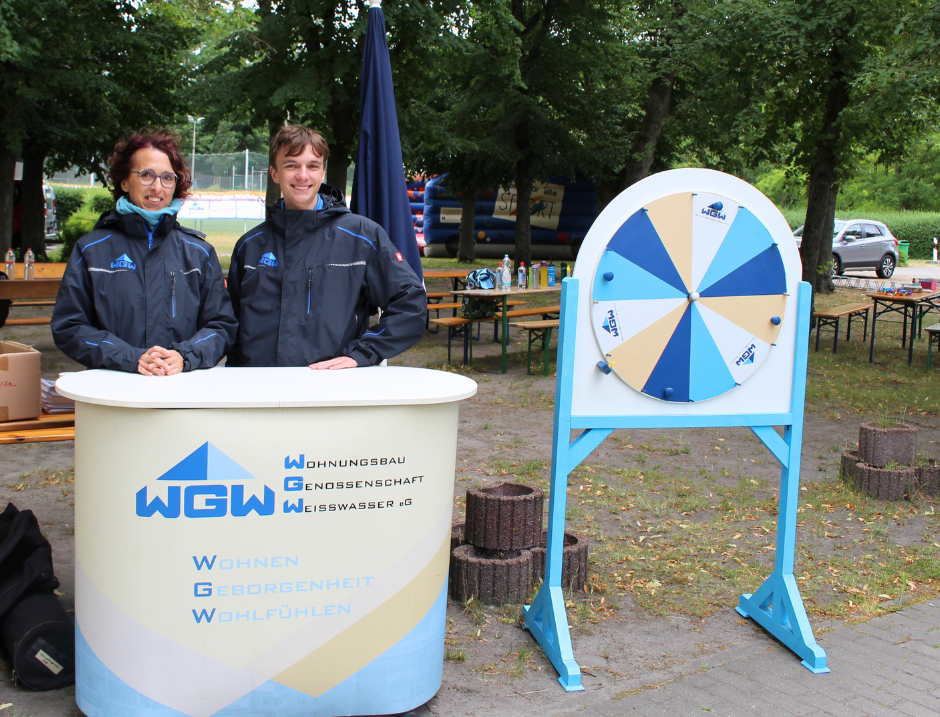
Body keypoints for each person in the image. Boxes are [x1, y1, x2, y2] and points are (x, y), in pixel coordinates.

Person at [226, 125, 425, 368]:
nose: (302, 175)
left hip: (331, 385)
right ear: (275, 173)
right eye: (291, 165)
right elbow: (230, 324)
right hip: (260, 386)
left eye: (312, 166)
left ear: (323, 173)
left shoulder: (362, 237)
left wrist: (365, 352)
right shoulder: (250, 246)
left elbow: (411, 303)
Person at [51, 131, 237, 376]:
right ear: (124, 182)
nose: (157, 187)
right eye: (146, 175)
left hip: (180, 388)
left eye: (167, 177)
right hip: (113, 389)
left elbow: (222, 326)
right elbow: (69, 326)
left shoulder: (199, 253)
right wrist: (130, 357)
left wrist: (184, 356)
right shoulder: (91, 250)